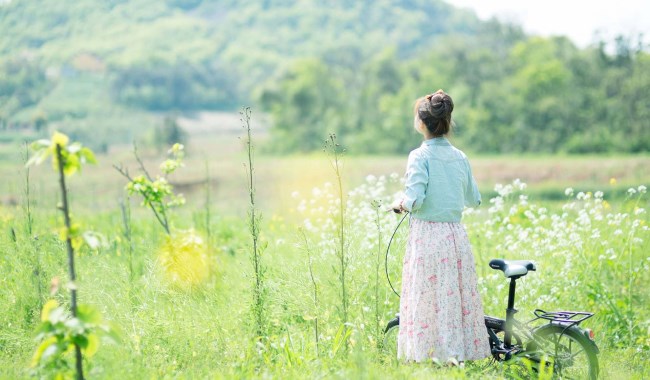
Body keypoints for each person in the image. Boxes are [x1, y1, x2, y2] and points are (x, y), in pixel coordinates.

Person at [390, 89, 491, 366]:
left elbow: (414, 199)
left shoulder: (419, 156)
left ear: (422, 123)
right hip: (455, 236)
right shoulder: (460, 157)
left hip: (427, 236)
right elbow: (474, 198)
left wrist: (400, 203)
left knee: (426, 296)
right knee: (452, 297)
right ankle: (455, 355)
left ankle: (428, 355)